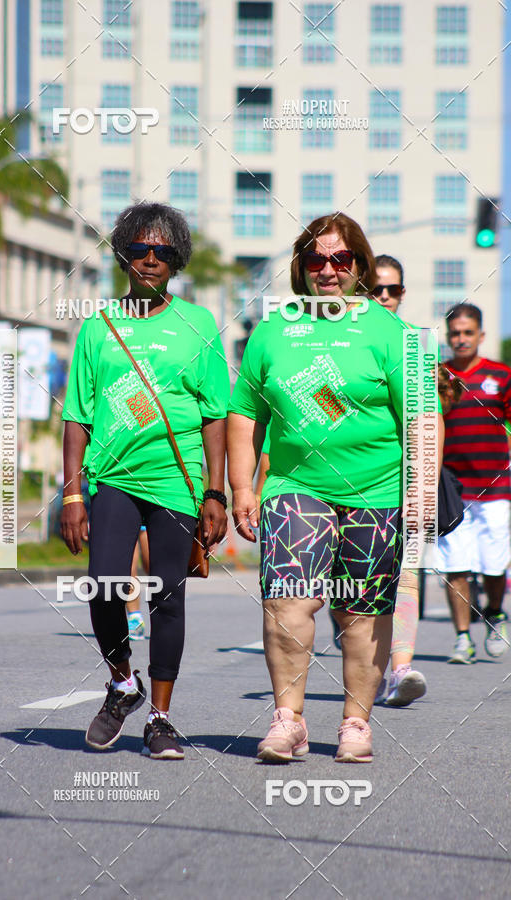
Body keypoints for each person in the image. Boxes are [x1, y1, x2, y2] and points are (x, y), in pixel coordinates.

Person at [228, 212, 422, 764]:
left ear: (359, 266)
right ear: (301, 268)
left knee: (362, 613)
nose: (329, 270)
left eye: (341, 259)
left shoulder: (391, 333)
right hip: (294, 484)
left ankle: (355, 723)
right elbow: (245, 415)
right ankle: (288, 719)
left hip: (376, 490)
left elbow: (421, 418)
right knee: (288, 600)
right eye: (317, 259)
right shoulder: (272, 331)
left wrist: (420, 491)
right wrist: (242, 487)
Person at [61, 202, 229, 759]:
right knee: (103, 582)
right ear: (123, 256)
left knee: (169, 598)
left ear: (176, 259)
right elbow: (78, 416)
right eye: (139, 249)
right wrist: (73, 492)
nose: (150, 259)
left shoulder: (198, 325)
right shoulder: (98, 326)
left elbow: (214, 415)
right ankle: (121, 683)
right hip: (113, 476)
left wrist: (214, 492)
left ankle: (160, 718)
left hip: (176, 483)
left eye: (161, 251)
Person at [436, 302, 511, 663]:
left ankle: (496, 612)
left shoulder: (502, 375)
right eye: (455, 333)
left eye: (468, 332)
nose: (461, 339)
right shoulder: (438, 377)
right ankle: (462, 638)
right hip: (453, 488)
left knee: (494, 565)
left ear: (480, 335)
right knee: (456, 565)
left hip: (496, 489)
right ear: (448, 337)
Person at [370, 255, 428, 706]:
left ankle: (401, 669)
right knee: (353, 589)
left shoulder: (414, 344)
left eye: (392, 290)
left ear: (402, 294)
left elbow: (430, 418)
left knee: (406, 576)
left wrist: (422, 485)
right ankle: (368, 667)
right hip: (353, 486)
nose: (384, 297)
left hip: (407, 482)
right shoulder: (344, 340)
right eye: (376, 289)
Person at [127, 527, 150, 640]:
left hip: (151, 512)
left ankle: (164, 614)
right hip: (127, 511)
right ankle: (134, 618)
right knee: (128, 567)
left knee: (152, 565)